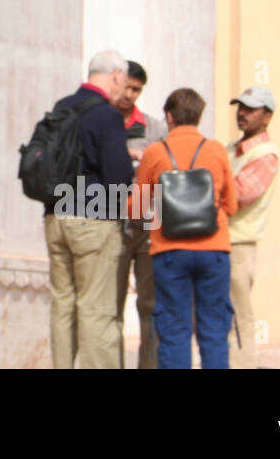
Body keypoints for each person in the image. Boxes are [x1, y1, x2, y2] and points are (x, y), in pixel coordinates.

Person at [133, 88, 238, 369]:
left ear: (169, 116)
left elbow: (137, 208)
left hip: (169, 251)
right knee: (214, 331)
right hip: (214, 249)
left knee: (174, 330)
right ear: (198, 116)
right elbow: (232, 204)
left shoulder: (155, 153)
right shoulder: (215, 150)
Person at [45, 50, 133, 369]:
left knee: (63, 306)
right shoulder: (107, 116)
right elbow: (118, 175)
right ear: (115, 75)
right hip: (92, 218)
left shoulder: (62, 107)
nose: (124, 88)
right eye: (123, 80)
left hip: (56, 215)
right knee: (96, 310)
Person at [113, 61, 167, 369]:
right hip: (112, 224)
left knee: (150, 304)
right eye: (127, 87)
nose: (130, 95)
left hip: (149, 222)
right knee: (111, 308)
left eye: (137, 90)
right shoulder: (103, 123)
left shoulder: (153, 128)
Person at [225, 86, 279, 369]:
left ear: (267, 116)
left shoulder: (265, 155)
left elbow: (239, 195)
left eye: (250, 108)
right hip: (220, 241)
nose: (241, 113)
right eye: (239, 107)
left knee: (238, 315)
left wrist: (203, 189)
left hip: (239, 245)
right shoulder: (230, 149)